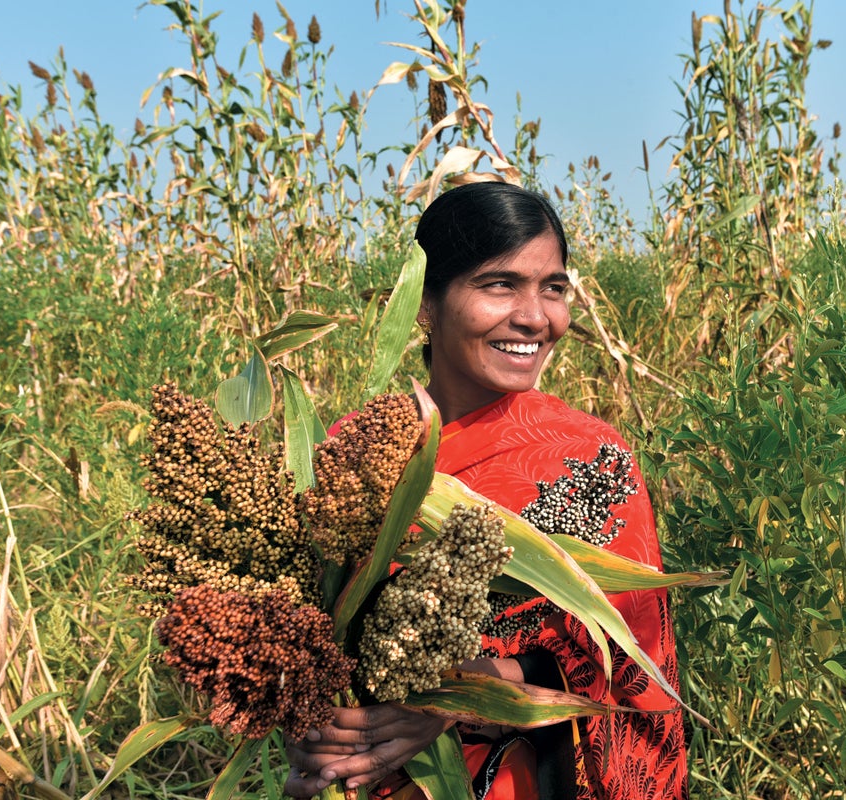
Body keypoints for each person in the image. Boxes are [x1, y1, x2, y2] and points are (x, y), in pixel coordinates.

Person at [284, 181, 687, 800]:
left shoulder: (590, 460)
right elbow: (308, 630)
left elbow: (630, 667)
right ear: (426, 303)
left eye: (553, 287)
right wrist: (313, 728)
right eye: (500, 284)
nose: (535, 316)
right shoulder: (355, 453)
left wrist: (456, 696)